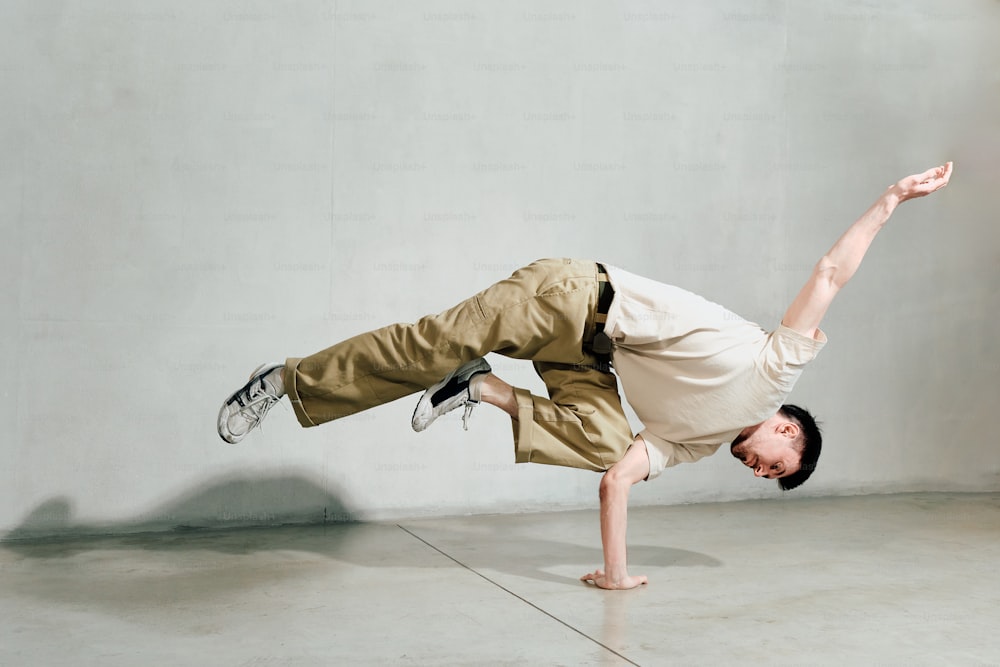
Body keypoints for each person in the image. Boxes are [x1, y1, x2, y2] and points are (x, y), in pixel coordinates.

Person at [218, 162, 953, 590]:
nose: (762, 471)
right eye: (777, 463)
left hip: (585, 357)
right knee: (424, 349)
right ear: (787, 426)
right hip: (570, 296)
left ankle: (485, 386)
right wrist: (892, 201)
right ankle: (285, 380)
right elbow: (830, 272)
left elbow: (615, 481)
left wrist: (615, 574)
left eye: (769, 478)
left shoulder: (694, 445)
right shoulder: (773, 367)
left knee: (608, 445)